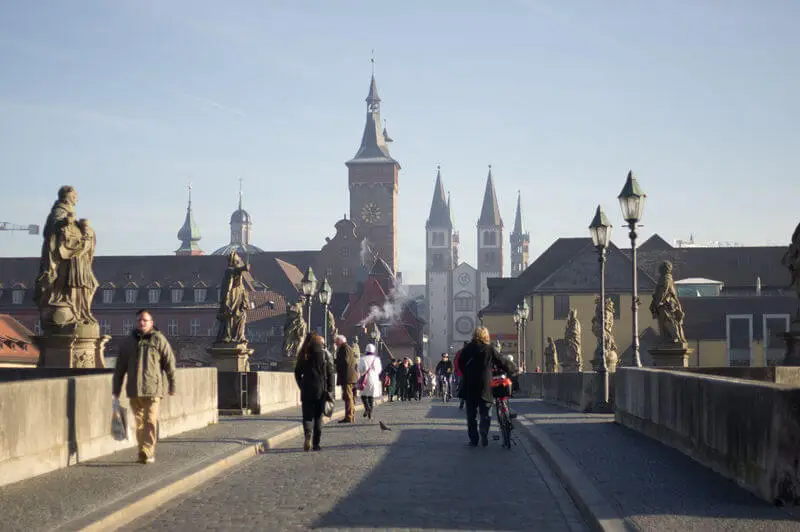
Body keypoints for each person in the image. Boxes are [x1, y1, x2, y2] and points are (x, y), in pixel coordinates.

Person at [112, 309, 177, 464]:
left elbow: (170, 363)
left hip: (153, 389)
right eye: (139, 320)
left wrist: (172, 384)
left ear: (151, 323)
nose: (142, 322)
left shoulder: (159, 340)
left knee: (150, 420)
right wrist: (116, 390)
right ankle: (143, 450)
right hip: (134, 390)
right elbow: (120, 368)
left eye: (145, 320)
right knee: (139, 422)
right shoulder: (128, 342)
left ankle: (148, 450)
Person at [458, 327, 516, 448]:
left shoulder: (467, 348)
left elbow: (460, 363)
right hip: (485, 385)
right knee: (486, 412)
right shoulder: (490, 349)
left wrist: (467, 373)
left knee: (471, 415)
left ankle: (474, 440)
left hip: (470, 384)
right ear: (486, 336)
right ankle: (484, 430)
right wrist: (513, 369)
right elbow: (502, 361)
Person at [294, 333, 335, 451]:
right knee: (318, 417)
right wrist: (330, 389)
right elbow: (331, 373)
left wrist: (301, 384)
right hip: (320, 391)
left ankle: (308, 435)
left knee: (307, 416)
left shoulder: (304, 353)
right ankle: (316, 444)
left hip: (306, 390)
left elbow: (297, 372)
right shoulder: (326, 354)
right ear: (321, 344)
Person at [333, 335, 358, 423]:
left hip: (347, 377)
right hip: (351, 377)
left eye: (336, 341)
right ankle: (350, 415)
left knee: (348, 397)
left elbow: (345, 361)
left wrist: (334, 361)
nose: (335, 343)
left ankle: (349, 416)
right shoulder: (348, 348)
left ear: (340, 341)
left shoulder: (344, 348)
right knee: (349, 397)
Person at [358, 343, 383, 419]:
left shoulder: (362, 359)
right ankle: (370, 413)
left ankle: (367, 408)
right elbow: (379, 370)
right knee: (371, 396)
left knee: (363, 395)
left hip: (365, 379)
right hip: (374, 378)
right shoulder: (377, 359)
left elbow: (360, 369)